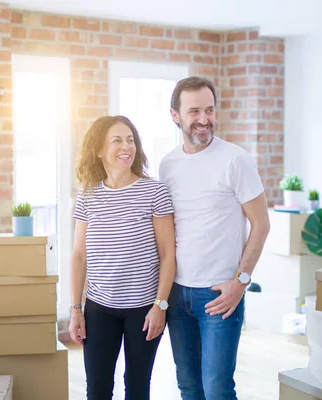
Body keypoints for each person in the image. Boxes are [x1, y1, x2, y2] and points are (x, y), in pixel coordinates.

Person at [159, 76, 271, 400]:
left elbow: (261, 225)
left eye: (209, 110)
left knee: (218, 390)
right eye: (194, 111)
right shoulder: (168, 165)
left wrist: (241, 280)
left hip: (220, 294)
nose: (204, 120)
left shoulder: (235, 160)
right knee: (189, 388)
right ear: (175, 115)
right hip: (177, 295)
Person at [68, 115, 177, 400]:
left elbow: (168, 255)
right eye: (116, 140)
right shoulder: (88, 195)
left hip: (143, 309)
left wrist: (160, 306)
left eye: (130, 140)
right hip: (99, 309)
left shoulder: (153, 191)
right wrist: (75, 309)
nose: (126, 146)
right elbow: (79, 256)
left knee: (138, 388)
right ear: (99, 150)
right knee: (98, 390)